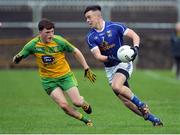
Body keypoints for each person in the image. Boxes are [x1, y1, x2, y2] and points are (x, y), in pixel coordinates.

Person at [84, 5, 163, 126]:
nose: (87, 21)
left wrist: (135, 48)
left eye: (89, 17)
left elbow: (135, 36)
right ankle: (152, 119)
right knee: (125, 101)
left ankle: (141, 104)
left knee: (116, 86)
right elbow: (98, 56)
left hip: (123, 63)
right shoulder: (90, 37)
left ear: (98, 16)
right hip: (110, 68)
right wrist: (112, 57)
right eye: (86, 18)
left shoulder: (115, 26)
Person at [13, 18, 96, 127]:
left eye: (52, 31)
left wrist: (86, 68)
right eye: (47, 32)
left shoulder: (59, 41)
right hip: (48, 81)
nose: (51, 35)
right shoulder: (32, 45)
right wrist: (16, 59)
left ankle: (83, 102)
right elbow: (16, 57)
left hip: (65, 76)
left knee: (77, 102)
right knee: (64, 106)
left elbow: (76, 51)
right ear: (40, 32)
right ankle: (86, 121)